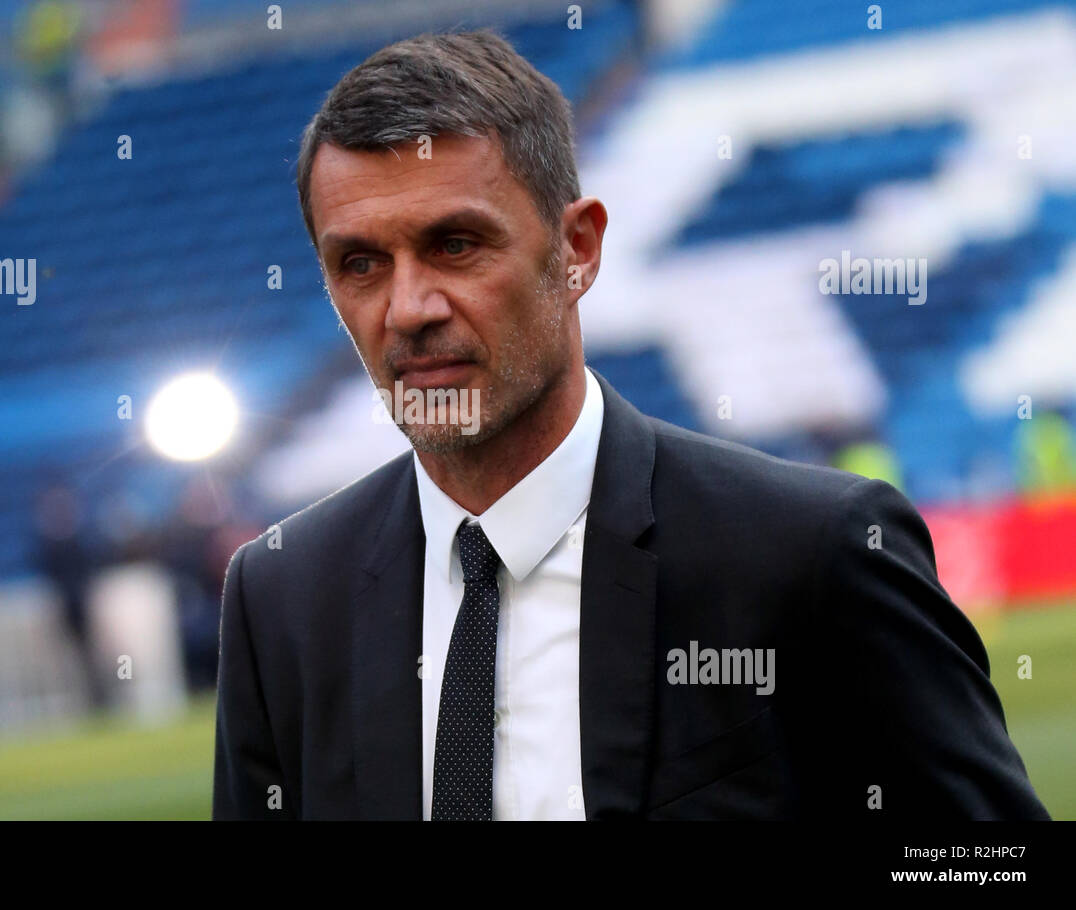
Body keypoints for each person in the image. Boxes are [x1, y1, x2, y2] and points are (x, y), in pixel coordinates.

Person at [212, 30, 1048, 820]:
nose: (408, 309)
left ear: (577, 248)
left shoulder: (809, 553)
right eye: (359, 263)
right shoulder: (281, 595)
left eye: (457, 245)